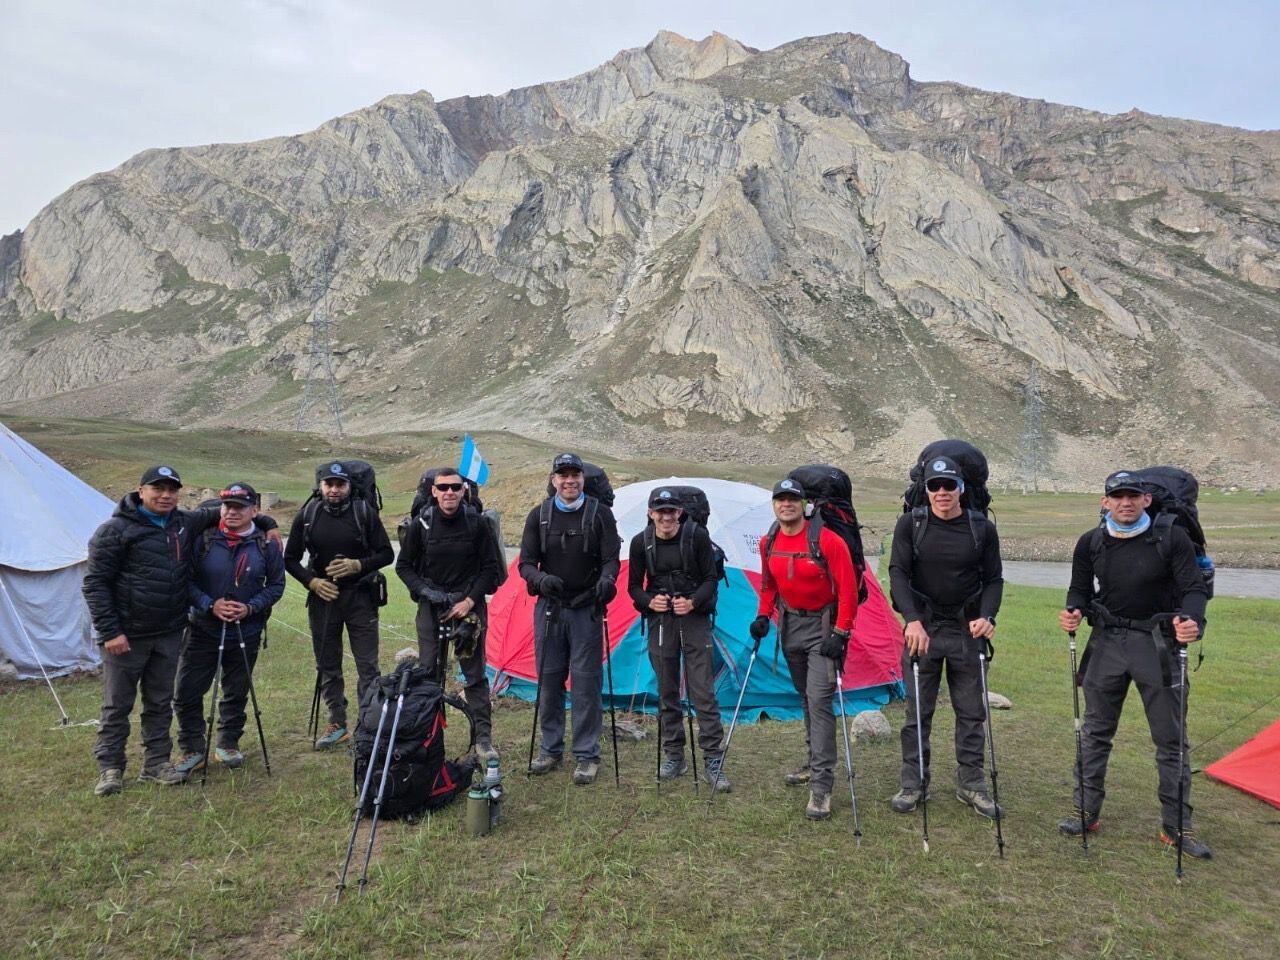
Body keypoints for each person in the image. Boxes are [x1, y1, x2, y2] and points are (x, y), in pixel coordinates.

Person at [83, 465, 279, 796]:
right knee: (117, 705)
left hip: (170, 631)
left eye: (171, 490)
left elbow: (235, 510)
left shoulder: (183, 522)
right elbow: (95, 583)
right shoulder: (114, 531)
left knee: (159, 702)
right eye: (157, 489)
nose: (165, 495)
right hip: (127, 634)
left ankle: (156, 764)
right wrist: (110, 631)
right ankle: (111, 768)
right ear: (140, 490)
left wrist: (268, 524)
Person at [1057, 470, 1211, 858]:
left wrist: (1192, 620)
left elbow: (1193, 588)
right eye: (1117, 496)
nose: (1125, 502)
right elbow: (1079, 587)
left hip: (1158, 644)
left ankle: (1177, 826)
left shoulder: (1171, 537)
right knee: (1094, 732)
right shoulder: (1091, 542)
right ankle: (1086, 810)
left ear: (1146, 500)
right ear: (1105, 502)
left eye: (1133, 495)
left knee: (1171, 740)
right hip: (1107, 643)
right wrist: (1074, 608)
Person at [888, 455, 1003, 818]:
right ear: (926, 490)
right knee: (916, 713)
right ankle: (913, 783)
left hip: (967, 632)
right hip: (923, 631)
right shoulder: (911, 524)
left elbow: (994, 579)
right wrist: (912, 621)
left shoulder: (981, 528)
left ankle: (972, 783)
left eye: (949, 485)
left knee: (971, 713)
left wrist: (987, 616)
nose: (942, 493)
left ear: (962, 489)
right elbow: (898, 575)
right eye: (934, 486)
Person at [751, 477, 859, 820]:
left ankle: (822, 788)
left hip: (824, 626)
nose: (787, 505)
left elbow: (848, 592)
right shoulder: (769, 542)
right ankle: (814, 763)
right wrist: (762, 616)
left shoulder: (828, 541)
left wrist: (840, 634)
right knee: (805, 698)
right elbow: (769, 586)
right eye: (780, 499)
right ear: (774, 505)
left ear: (804, 505)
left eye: (793, 500)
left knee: (819, 700)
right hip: (790, 626)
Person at [518, 452, 621, 785]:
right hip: (549, 609)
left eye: (575, 475)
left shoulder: (600, 514)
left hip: (586, 609)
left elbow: (611, 559)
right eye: (563, 475)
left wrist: (607, 581)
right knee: (548, 680)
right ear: (554, 480)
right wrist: (539, 580)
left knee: (585, 682)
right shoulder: (539, 516)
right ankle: (550, 749)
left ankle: (587, 754)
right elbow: (526, 563)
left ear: (582, 479)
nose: (569, 481)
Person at [173, 482, 285, 775]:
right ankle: (192, 748)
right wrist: (210, 604)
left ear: (255, 511)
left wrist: (251, 607)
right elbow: (186, 581)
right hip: (202, 628)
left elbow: (276, 586)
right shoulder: (203, 538)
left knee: (236, 690)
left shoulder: (266, 543)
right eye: (227, 506)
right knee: (186, 691)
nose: (232, 512)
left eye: (239, 507)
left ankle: (228, 742)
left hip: (245, 630)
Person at [284, 462, 394, 749]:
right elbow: (290, 558)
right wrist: (312, 582)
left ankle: (369, 724)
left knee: (367, 665)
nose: (334, 490)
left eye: (340, 485)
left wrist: (359, 564)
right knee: (327, 663)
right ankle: (337, 721)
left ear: (349, 487)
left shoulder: (364, 512)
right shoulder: (307, 514)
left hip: (360, 597)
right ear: (320, 486)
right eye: (329, 484)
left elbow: (386, 554)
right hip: (323, 598)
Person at [627, 487, 728, 791]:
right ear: (651, 514)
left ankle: (713, 759)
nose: (666, 516)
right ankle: (675, 756)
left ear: (680, 513)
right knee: (667, 692)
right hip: (661, 621)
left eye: (672, 511)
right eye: (661, 511)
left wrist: (693, 603)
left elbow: (711, 579)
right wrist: (648, 602)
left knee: (703, 692)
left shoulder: (696, 537)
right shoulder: (639, 543)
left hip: (694, 619)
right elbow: (633, 586)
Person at [396, 467, 500, 759]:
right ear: (434, 491)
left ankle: (483, 740)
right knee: (429, 674)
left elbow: (489, 567)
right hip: (433, 607)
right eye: (443, 488)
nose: (449, 493)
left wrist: (468, 601)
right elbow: (403, 566)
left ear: (464, 490)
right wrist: (427, 593)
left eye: (455, 487)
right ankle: (429, 736)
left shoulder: (476, 523)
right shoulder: (422, 525)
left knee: (475, 674)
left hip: (468, 608)